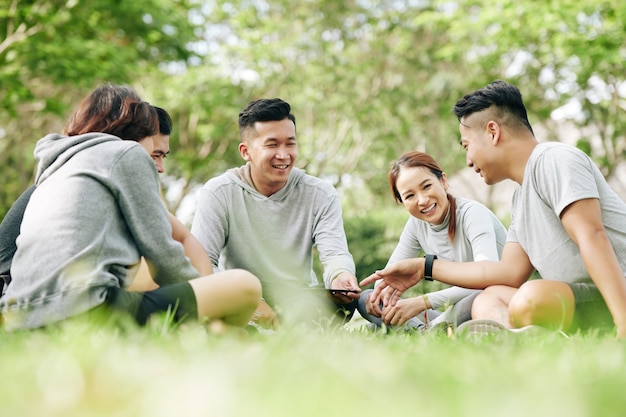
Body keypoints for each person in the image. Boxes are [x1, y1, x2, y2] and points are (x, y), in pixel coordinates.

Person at [362, 80, 626, 338]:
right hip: (582, 299)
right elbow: (507, 273)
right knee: (487, 300)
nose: (467, 160)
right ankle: (519, 341)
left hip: (617, 292)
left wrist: (623, 321)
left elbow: (592, 236)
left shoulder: (553, 159)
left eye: (467, 146)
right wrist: (424, 267)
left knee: (531, 297)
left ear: (492, 132)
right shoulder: (521, 199)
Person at [0, 84, 261, 330]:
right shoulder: (126, 153)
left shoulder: (55, 170)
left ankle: (214, 337)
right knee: (244, 285)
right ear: (137, 132)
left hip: (20, 319)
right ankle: (214, 337)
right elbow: (163, 255)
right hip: (86, 308)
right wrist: (211, 298)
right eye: (154, 146)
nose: (156, 159)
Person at [191, 98, 360, 328]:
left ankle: (281, 328)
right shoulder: (219, 192)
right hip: (240, 295)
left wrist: (341, 276)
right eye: (272, 145)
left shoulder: (320, 193)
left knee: (337, 306)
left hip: (299, 296)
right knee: (204, 299)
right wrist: (250, 302)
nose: (284, 155)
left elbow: (334, 254)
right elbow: (204, 263)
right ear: (246, 151)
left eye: (290, 144)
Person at [357, 151, 507, 331]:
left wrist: (424, 302)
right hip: (452, 311)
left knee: (478, 297)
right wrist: (379, 295)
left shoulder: (472, 214)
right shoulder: (416, 225)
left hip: (491, 301)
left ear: (443, 181)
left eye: (426, 186)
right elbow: (389, 276)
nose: (422, 200)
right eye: (410, 196)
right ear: (402, 202)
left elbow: (486, 280)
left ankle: (418, 330)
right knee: (365, 297)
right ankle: (426, 330)